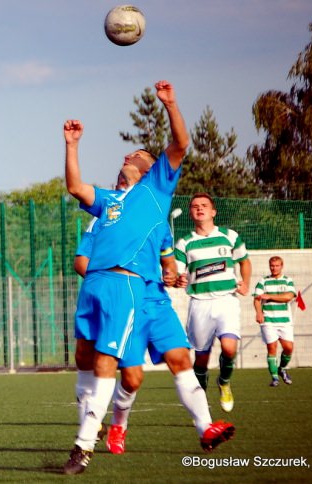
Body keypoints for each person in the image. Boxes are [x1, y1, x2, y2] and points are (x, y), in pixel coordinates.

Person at [63, 81, 232, 475]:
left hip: (139, 290)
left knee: (172, 358)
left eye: (136, 153)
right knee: (94, 359)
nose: (127, 154)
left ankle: (203, 427)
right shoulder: (110, 201)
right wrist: (72, 145)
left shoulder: (156, 189)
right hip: (105, 285)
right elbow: (74, 186)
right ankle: (100, 424)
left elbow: (180, 143)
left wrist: (171, 103)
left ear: (149, 166)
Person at [75, 208, 232, 457]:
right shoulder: (105, 216)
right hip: (125, 305)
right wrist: (111, 285)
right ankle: (119, 425)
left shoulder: (156, 218)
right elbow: (81, 261)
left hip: (158, 303)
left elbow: (168, 265)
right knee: (132, 379)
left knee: (181, 359)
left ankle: (205, 428)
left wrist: (172, 277)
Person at [174, 193, 252, 412]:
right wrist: (179, 280)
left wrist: (245, 283)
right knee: (201, 358)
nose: (199, 209)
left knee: (229, 347)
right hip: (199, 303)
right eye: (195, 206)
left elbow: (244, 262)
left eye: (204, 206)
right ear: (190, 213)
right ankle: (201, 406)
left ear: (213, 212)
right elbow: (179, 273)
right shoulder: (184, 243)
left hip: (226, 300)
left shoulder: (229, 236)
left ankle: (224, 382)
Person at [253, 256, 297, 386]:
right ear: (269, 266)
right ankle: (275, 378)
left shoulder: (288, 281)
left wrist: (270, 296)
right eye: (272, 266)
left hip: (285, 320)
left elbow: (288, 297)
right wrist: (259, 312)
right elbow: (257, 299)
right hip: (268, 320)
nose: (274, 268)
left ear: (282, 266)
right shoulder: (263, 281)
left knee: (288, 348)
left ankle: (282, 368)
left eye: (277, 265)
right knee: (272, 348)